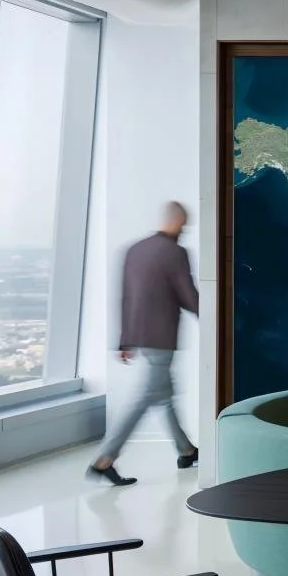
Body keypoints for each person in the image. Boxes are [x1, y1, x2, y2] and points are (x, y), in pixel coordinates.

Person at [87, 201, 201, 486]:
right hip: (161, 337)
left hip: (140, 336)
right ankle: (104, 458)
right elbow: (188, 295)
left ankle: (186, 450)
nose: (184, 230)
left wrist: (125, 340)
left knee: (164, 395)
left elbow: (125, 298)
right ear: (176, 222)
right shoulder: (175, 252)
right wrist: (217, 319)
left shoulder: (134, 250)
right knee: (144, 398)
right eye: (184, 224)